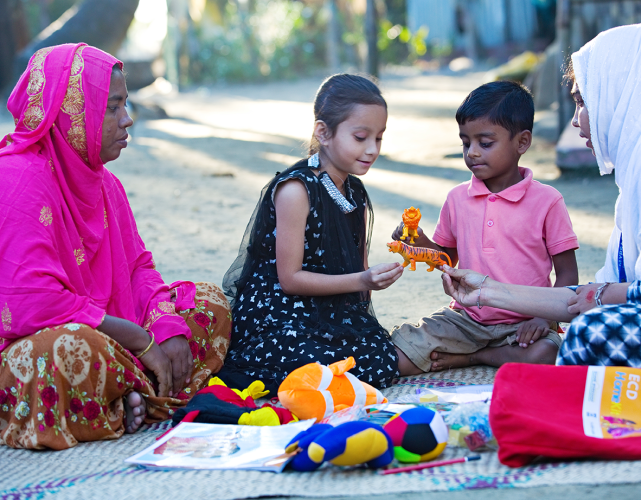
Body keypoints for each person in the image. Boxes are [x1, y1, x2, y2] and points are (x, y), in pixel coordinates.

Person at [0, 44, 231, 450]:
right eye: (112, 108)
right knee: (63, 350)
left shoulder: (104, 182)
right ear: (70, 109)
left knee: (210, 304)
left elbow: (139, 268)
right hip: (31, 344)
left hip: (108, 333)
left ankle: (123, 398)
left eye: (126, 105)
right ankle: (135, 397)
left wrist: (163, 322)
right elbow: (30, 301)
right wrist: (139, 341)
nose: (128, 120)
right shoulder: (15, 176)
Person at [439, 21, 641, 371]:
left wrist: (603, 296)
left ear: (622, 89)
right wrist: (485, 291)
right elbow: (583, 297)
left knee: (588, 334)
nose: (576, 121)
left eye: (582, 102)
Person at [219, 74, 404, 395]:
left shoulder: (354, 193)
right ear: (323, 132)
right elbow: (290, 279)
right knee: (313, 365)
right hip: (279, 313)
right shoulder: (296, 190)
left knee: (380, 357)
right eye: (361, 137)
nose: (372, 149)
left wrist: (372, 280)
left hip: (330, 307)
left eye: (379, 138)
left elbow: (359, 275)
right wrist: (363, 280)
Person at [391, 81, 579, 375]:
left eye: (485, 143)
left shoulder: (548, 201)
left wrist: (546, 320)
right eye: (466, 143)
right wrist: (416, 240)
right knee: (399, 356)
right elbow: (447, 260)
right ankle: (484, 352)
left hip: (526, 322)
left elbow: (568, 274)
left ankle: (474, 357)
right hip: (466, 320)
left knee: (546, 354)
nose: (473, 153)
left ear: (522, 142)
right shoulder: (456, 199)